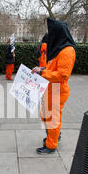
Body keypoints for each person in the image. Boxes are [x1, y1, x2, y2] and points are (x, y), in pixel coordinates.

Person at [32, 18, 76, 154]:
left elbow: (63, 75)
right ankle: (54, 135)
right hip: (50, 88)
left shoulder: (67, 51)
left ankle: (51, 144)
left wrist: (42, 71)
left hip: (57, 90)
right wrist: (42, 69)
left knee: (52, 118)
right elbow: (53, 68)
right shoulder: (58, 48)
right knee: (45, 115)